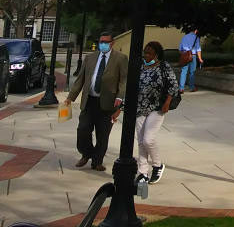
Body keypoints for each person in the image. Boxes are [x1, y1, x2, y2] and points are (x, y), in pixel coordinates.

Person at [64, 30, 127, 172]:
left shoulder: (120, 58)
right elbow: (80, 79)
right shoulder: (90, 58)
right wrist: (70, 97)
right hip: (89, 101)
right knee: (83, 130)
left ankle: (97, 161)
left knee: (103, 135)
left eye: (106, 42)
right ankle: (86, 153)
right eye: (101, 42)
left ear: (112, 43)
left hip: (108, 102)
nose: (103, 44)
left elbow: (124, 80)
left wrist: (119, 97)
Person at [120, 41, 179, 186]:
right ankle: (143, 173)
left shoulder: (163, 66)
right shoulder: (140, 65)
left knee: (148, 140)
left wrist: (167, 102)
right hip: (139, 107)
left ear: (156, 54)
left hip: (156, 108)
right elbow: (131, 86)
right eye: (145, 52)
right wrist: (121, 107)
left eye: (149, 53)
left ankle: (158, 165)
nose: (146, 55)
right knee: (140, 141)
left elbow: (173, 85)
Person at [178, 27, 203, 93]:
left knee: (183, 72)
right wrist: (200, 59)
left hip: (185, 56)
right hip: (193, 56)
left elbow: (180, 49)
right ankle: (192, 88)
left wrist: (184, 54)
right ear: (196, 30)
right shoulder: (196, 38)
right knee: (192, 72)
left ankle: (181, 88)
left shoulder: (184, 37)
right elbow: (198, 49)